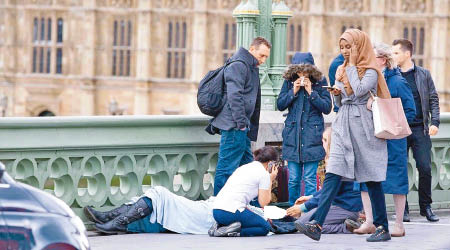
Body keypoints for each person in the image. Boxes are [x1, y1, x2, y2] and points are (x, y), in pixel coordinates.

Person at [294, 29, 392, 242]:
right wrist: (337, 93)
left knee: (371, 177)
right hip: (343, 124)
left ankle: (383, 227)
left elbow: (358, 91)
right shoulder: (341, 68)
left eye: (350, 47)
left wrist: (352, 69)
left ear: (360, 46)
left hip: (364, 127)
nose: (345, 51)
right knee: (333, 173)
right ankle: (317, 224)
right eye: (342, 47)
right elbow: (340, 102)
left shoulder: (371, 70)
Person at [356, 43, 416, 237]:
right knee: (366, 178)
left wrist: (380, 108)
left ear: (382, 60)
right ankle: (370, 221)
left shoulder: (397, 82)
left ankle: (399, 224)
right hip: (372, 137)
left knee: (397, 180)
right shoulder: (370, 80)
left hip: (393, 138)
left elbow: (410, 111)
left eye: (372, 58)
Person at [210, 37, 272, 196]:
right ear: (252, 49)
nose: (263, 60)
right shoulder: (238, 65)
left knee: (248, 168)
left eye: (266, 57)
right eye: (262, 55)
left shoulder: (250, 66)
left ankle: (248, 205)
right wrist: (241, 124)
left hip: (240, 126)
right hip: (234, 126)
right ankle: (218, 208)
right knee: (226, 170)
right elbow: (234, 96)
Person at [392, 38, 440, 222]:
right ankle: (402, 209)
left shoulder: (423, 74)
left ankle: (425, 207)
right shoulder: (391, 75)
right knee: (400, 170)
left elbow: (433, 99)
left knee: (425, 168)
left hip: (420, 129)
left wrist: (435, 122)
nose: (393, 56)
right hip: (399, 130)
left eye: (396, 53)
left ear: (407, 54)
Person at [277, 52, 332, 206]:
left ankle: (308, 211)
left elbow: (327, 107)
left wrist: (311, 92)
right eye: (299, 71)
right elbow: (280, 104)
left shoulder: (321, 82)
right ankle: (292, 210)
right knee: (293, 179)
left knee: (309, 178)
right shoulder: (289, 82)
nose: (302, 75)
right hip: (292, 137)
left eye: (305, 71)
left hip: (311, 137)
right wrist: (292, 92)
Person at [212, 146, 279, 237]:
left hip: (217, 211)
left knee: (255, 220)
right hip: (230, 212)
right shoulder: (264, 174)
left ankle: (221, 226)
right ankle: (231, 232)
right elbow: (264, 202)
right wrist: (270, 180)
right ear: (271, 163)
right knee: (265, 227)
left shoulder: (244, 167)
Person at [286, 181, 362, 234]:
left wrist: (303, 207)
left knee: (304, 224)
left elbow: (327, 193)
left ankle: (347, 228)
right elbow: (327, 188)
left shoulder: (339, 170)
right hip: (342, 207)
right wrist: (310, 197)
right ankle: (348, 224)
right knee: (302, 222)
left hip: (346, 208)